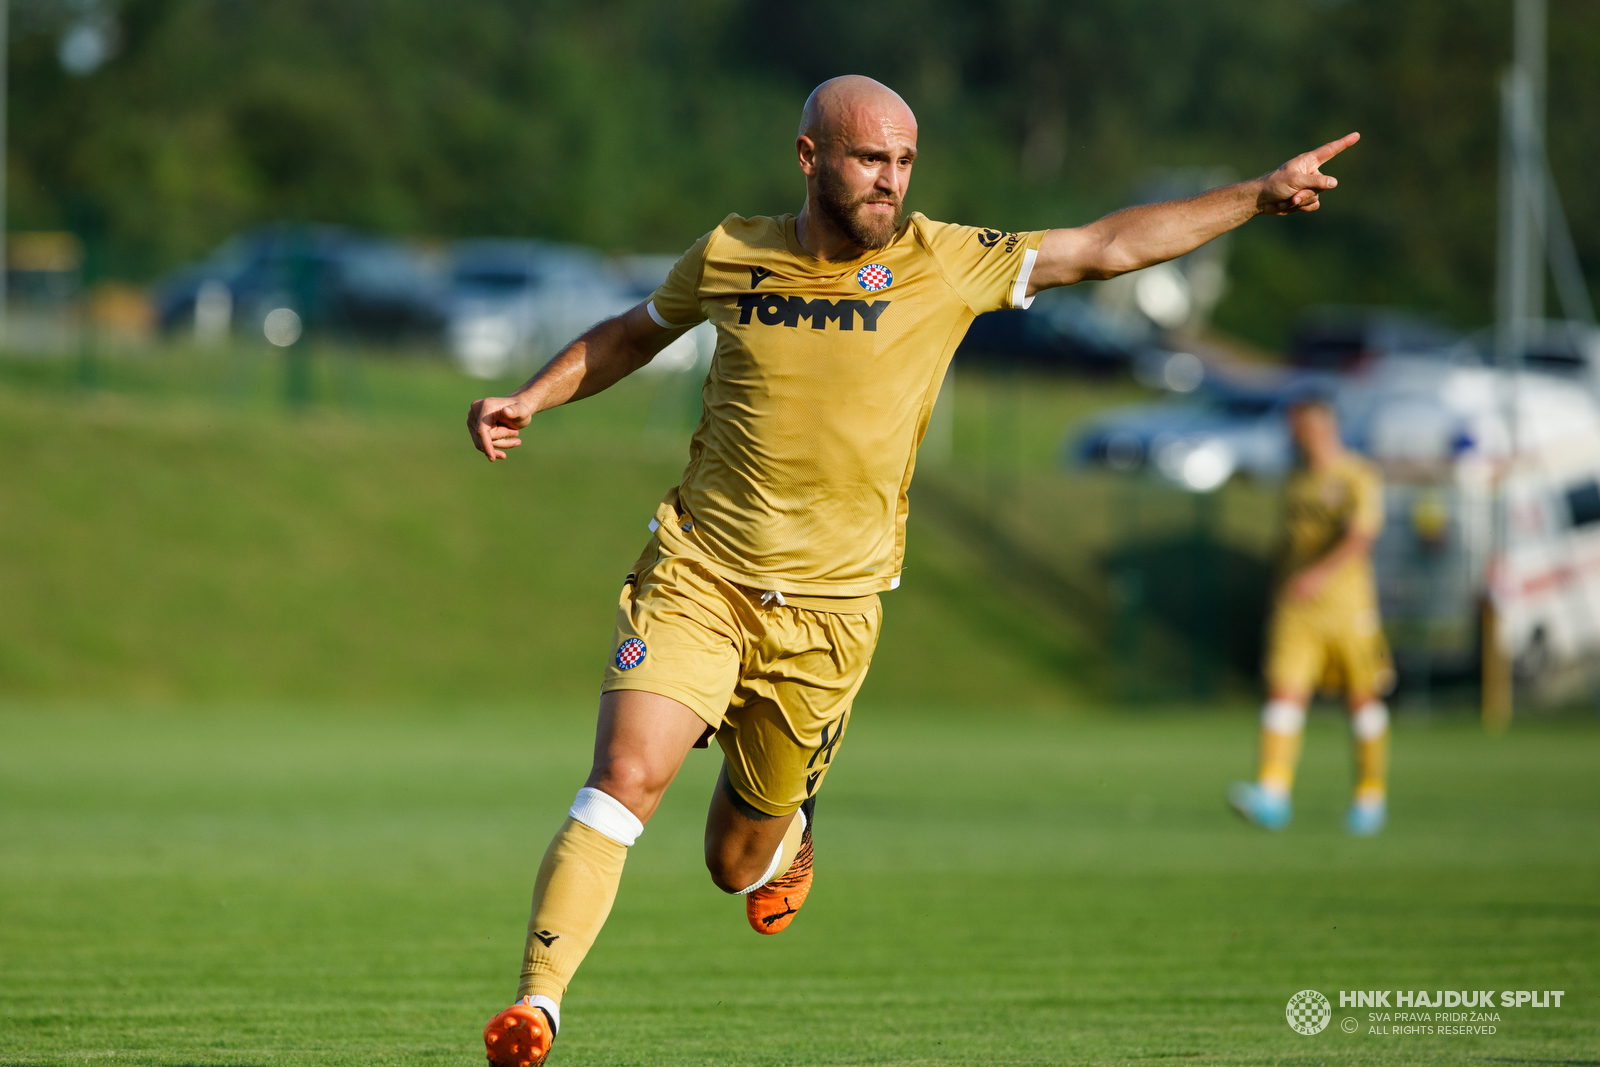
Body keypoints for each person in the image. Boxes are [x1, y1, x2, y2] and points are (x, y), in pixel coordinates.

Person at [467, 74, 1358, 1066]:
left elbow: (1107, 245)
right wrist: (531, 397)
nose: (890, 182)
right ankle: (537, 1004)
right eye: (868, 160)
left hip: (832, 613)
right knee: (625, 777)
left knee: (733, 862)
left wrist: (1254, 195)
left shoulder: (947, 262)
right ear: (811, 159)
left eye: (902, 163)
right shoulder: (731, 253)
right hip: (699, 574)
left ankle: (790, 824)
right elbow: (634, 331)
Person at [1229, 394, 1393, 837]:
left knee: (1361, 699)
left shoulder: (1357, 475)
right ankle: (1273, 794)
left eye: (1299, 427)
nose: (1293, 436)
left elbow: (1360, 538)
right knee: (1284, 694)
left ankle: (1369, 796)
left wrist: (1319, 576)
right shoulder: (1296, 480)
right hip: (1296, 608)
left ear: (1322, 427)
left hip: (1347, 607)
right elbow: (1287, 543)